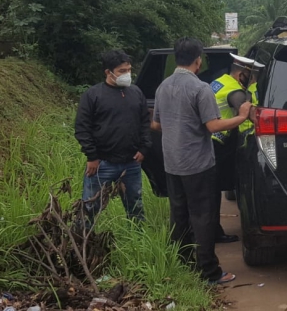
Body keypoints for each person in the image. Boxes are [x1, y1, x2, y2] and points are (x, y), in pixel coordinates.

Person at [150, 38, 251, 285]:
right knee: (203, 217)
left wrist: (177, 129)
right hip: (197, 164)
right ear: (198, 60)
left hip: (172, 163)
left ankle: (183, 264)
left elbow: (155, 124)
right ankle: (210, 271)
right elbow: (213, 126)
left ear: (176, 58)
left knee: (179, 215)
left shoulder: (163, 86)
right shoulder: (200, 88)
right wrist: (242, 116)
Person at [74, 49, 151, 229]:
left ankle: (138, 242)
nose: (127, 74)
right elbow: (82, 128)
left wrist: (144, 148)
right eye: (122, 71)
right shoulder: (93, 95)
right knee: (89, 209)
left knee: (136, 209)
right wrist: (92, 157)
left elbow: (144, 122)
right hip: (102, 165)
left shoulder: (136, 93)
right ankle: (80, 243)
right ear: (108, 72)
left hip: (131, 163)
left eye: (129, 70)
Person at [209, 54, 261, 242]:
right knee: (211, 194)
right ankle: (212, 233)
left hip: (212, 143)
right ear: (241, 76)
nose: (254, 81)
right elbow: (249, 114)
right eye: (252, 77)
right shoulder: (234, 91)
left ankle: (210, 231)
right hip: (217, 144)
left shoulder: (219, 82)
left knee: (211, 192)